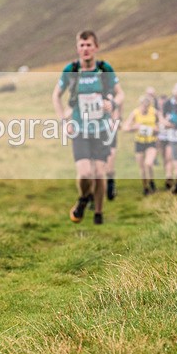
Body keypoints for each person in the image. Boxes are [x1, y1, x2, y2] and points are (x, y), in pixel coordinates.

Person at [53, 30, 124, 225]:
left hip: (101, 130)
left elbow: (120, 94)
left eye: (89, 45)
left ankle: (98, 213)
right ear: (77, 48)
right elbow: (56, 96)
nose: (85, 49)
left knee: (100, 173)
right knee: (85, 173)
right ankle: (84, 198)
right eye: (82, 45)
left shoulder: (104, 69)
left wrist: (113, 104)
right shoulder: (70, 70)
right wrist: (63, 121)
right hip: (79, 129)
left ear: (96, 47)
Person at [123, 95, 158, 195]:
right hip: (139, 142)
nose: (145, 107)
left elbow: (161, 124)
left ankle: (151, 182)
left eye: (147, 105)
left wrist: (156, 129)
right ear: (141, 104)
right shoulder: (135, 113)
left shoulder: (154, 112)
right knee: (142, 167)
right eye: (144, 105)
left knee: (149, 163)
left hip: (151, 141)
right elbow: (125, 127)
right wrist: (134, 127)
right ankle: (145, 187)